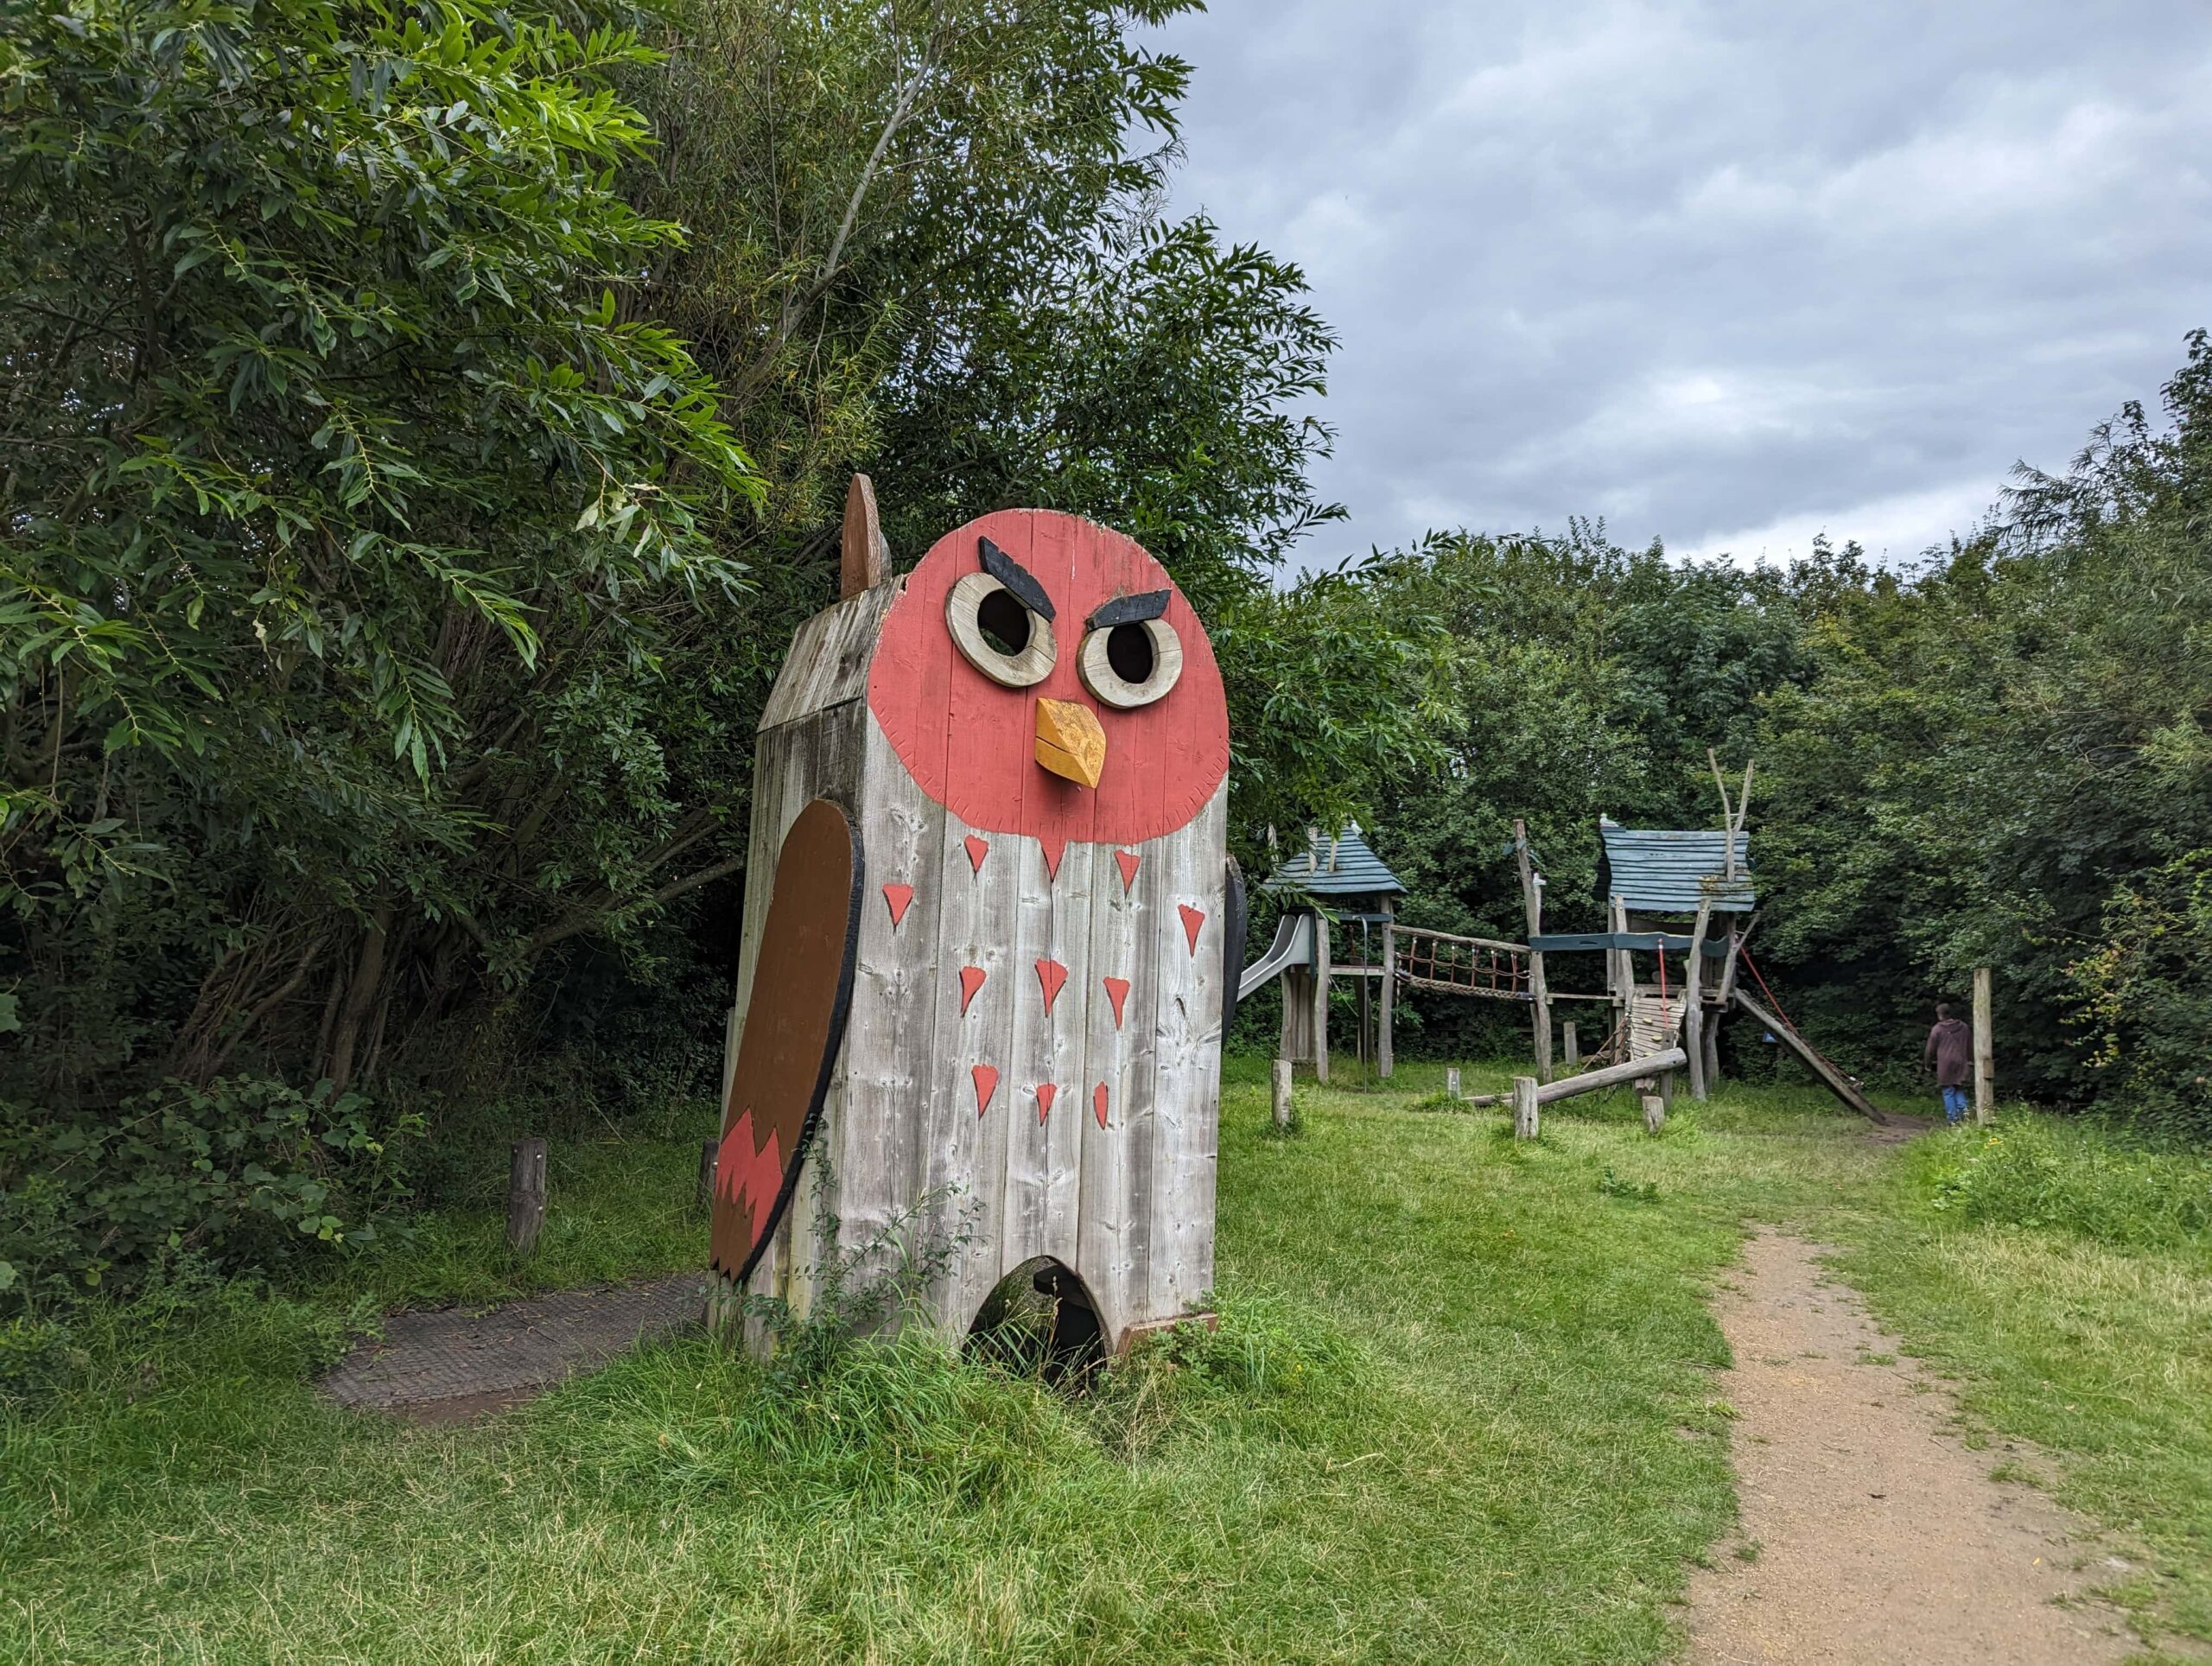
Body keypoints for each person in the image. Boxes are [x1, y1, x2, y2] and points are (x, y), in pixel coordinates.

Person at [1924, 1002, 1974, 1124]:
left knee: (1948, 1091)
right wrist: (1970, 1062)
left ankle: (1953, 1120)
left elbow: (1930, 1049)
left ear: (1940, 1015)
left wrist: (1928, 1064)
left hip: (1945, 1064)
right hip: (1961, 1063)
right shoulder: (1964, 1027)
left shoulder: (1937, 1029)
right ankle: (1966, 1116)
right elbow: (1970, 1046)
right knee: (1959, 1088)